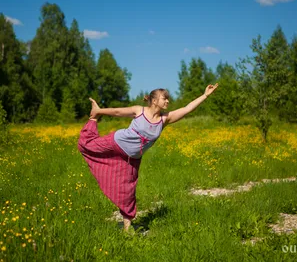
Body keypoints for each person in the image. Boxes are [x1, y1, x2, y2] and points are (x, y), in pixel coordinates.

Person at [77, 83, 219, 231]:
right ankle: (92, 120)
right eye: (165, 98)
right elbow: (117, 111)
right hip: (115, 142)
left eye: (168, 99)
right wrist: (98, 112)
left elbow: (187, 109)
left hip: (132, 159)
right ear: (154, 100)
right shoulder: (139, 111)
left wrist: (205, 95)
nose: (168, 101)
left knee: (128, 191)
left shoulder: (165, 119)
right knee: (87, 145)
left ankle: (127, 228)